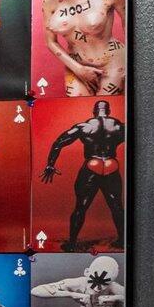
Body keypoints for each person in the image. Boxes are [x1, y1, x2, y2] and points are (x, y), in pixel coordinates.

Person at [37, 0, 126, 96]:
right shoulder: (51, 0)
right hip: (75, 65)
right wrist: (78, 69)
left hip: (113, 63)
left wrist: (136, 66)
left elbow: (132, 30)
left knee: (107, 115)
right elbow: (51, 42)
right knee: (78, 114)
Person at [41, 98, 126, 249]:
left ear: (94, 112)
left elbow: (58, 143)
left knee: (81, 206)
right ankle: (122, 240)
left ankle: (72, 244)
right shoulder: (120, 127)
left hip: (92, 165)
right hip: (111, 165)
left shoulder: (84, 126)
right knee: (117, 207)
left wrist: (50, 165)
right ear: (109, 111)